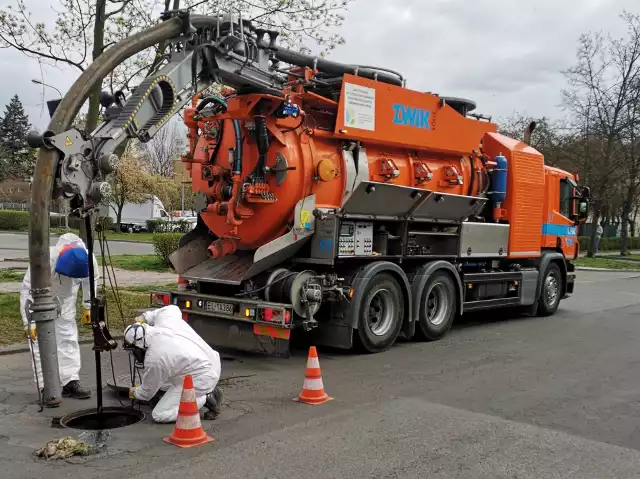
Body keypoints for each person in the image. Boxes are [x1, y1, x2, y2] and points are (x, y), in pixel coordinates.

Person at [20, 233, 99, 400]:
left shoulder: (88, 258)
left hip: (67, 302)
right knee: (39, 344)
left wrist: (87, 305)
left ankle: (70, 381)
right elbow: (27, 290)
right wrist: (29, 322)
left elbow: (91, 280)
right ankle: (45, 386)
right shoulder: (44, 259)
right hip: (41, 300)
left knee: (68, 340)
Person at [123, 305, 222, 423]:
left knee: (159, 414)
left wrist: (133, 392)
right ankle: (201, 392)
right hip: (211, 361)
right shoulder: (165, 321)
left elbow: (146, 393)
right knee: (162, 382)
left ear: (138, 347)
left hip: (203, 377)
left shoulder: (155, 358)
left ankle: (206, 397)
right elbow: (172, 308)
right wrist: (144, 317)